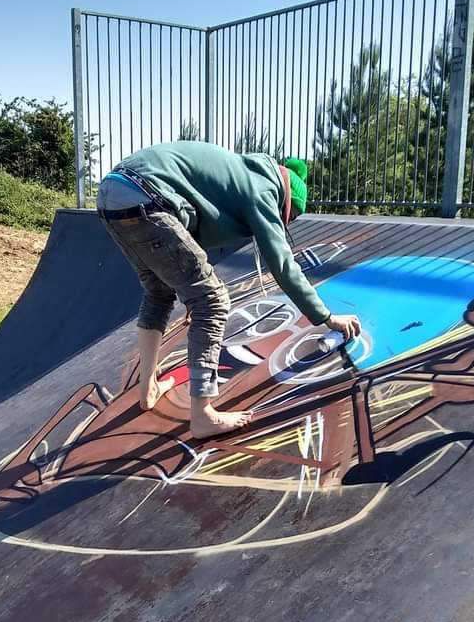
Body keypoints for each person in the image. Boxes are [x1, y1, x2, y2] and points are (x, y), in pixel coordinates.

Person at [96, 140, 361, 439]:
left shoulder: (239, 175)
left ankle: (148, 389)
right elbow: (283, 265)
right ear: (286, 200)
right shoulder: (264, 189)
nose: (284, 224)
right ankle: (203, 416)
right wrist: (326, 317)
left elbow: (188, 240)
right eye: (289, 217)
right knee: (212, 300)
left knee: (159, 292)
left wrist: (190, 290)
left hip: (114, 195)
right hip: (149, 198)